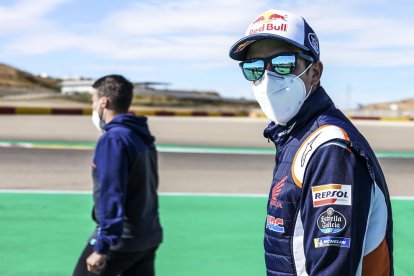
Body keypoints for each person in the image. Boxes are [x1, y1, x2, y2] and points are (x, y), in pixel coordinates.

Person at [229, 9, 393, 275]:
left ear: (314, 72)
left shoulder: (331, 149)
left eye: (283, 63)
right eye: (254, 68)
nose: (266, 78)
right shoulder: (294, 136)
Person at [73, 75, 163, 276]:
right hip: (148, 235)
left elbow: (111, 192)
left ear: (104, 102)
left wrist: (103, 245)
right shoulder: (141, 136)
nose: (93, 106)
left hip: (121, 240)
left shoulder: (114, 140)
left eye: (93, 101)